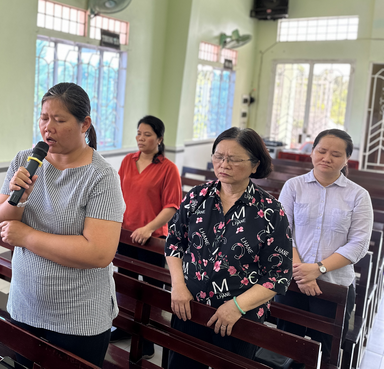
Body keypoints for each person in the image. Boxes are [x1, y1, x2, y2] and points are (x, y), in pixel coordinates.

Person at [0, 82, 125, 367]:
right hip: (26, 307)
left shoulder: (101, 176)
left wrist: (26, 236)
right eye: (44, 118)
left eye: (59, 120)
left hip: (78, 319)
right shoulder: (25, 160)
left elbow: (98, 253)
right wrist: (19, 199)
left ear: (84, 124)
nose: (47, 128)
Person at [165, 127, 292, 368]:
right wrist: (178, 286)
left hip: (240, 316)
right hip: (189, 306)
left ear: (255, 165)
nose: (224, 164)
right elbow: (174, 242)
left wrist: (236, 306)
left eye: (233, 159)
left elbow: (278, 275)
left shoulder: (271, 211)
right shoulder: (197, 196)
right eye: (218, 156)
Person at [276, 129, 373, 361]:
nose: (326, 158)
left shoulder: (359, 196)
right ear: (312, 152)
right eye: (321, 151)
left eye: (336, 154)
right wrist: (302, 273)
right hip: (292, 281)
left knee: (326, 351)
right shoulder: (293, 186)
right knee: (286, 348)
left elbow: (359, 244)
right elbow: (281, 232)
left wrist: (317, 269)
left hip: (333, 285)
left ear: (347, 159)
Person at [112, 115, 182, 356]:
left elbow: (172, 206)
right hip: (126, 235)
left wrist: (149, 228)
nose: (141, 138)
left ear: (159, 139)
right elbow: (118, 195)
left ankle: (148, 340)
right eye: (139, 133)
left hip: (152, 240)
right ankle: (124, 327)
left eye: (147, 134)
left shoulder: (168, 168)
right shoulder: (128, 161)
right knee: (126, 285)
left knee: (151, 290)